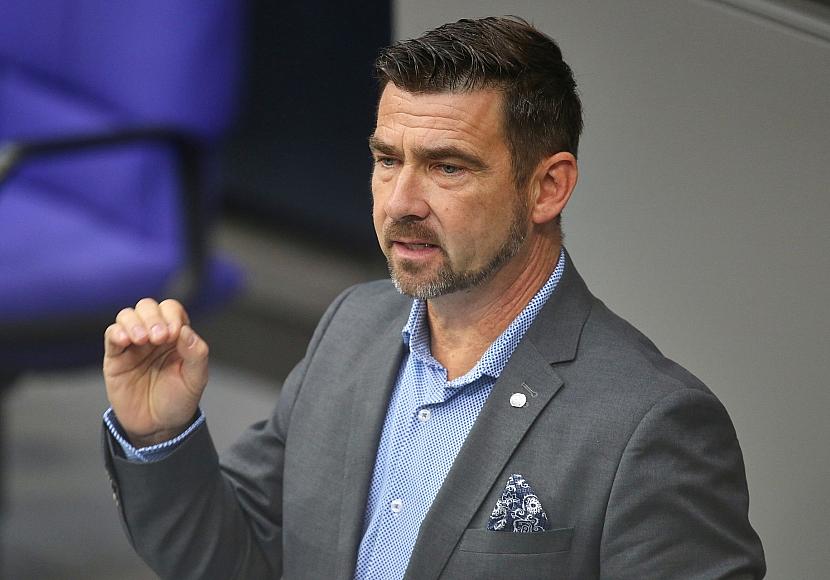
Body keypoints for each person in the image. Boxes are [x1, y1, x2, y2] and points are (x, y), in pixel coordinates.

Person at [102, 16, 765, 580]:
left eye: (448, 167)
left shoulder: (651, 425)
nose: (401, 203)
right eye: (388, 160)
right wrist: (160, 435)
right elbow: (237, 556)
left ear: (548, 188)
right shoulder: (352, 326)